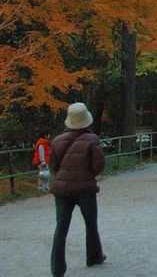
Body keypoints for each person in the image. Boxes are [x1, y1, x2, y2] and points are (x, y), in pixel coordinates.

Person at [49, 103, 106, 277]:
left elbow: (53, 165)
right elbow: (99, 165)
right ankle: (93, 256)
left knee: (61, 228)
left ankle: (57, 269)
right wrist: (87, 174)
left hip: (62, 189)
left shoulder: (57, 141)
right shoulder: (92, 140)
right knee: (90, 224)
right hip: (85, 189)